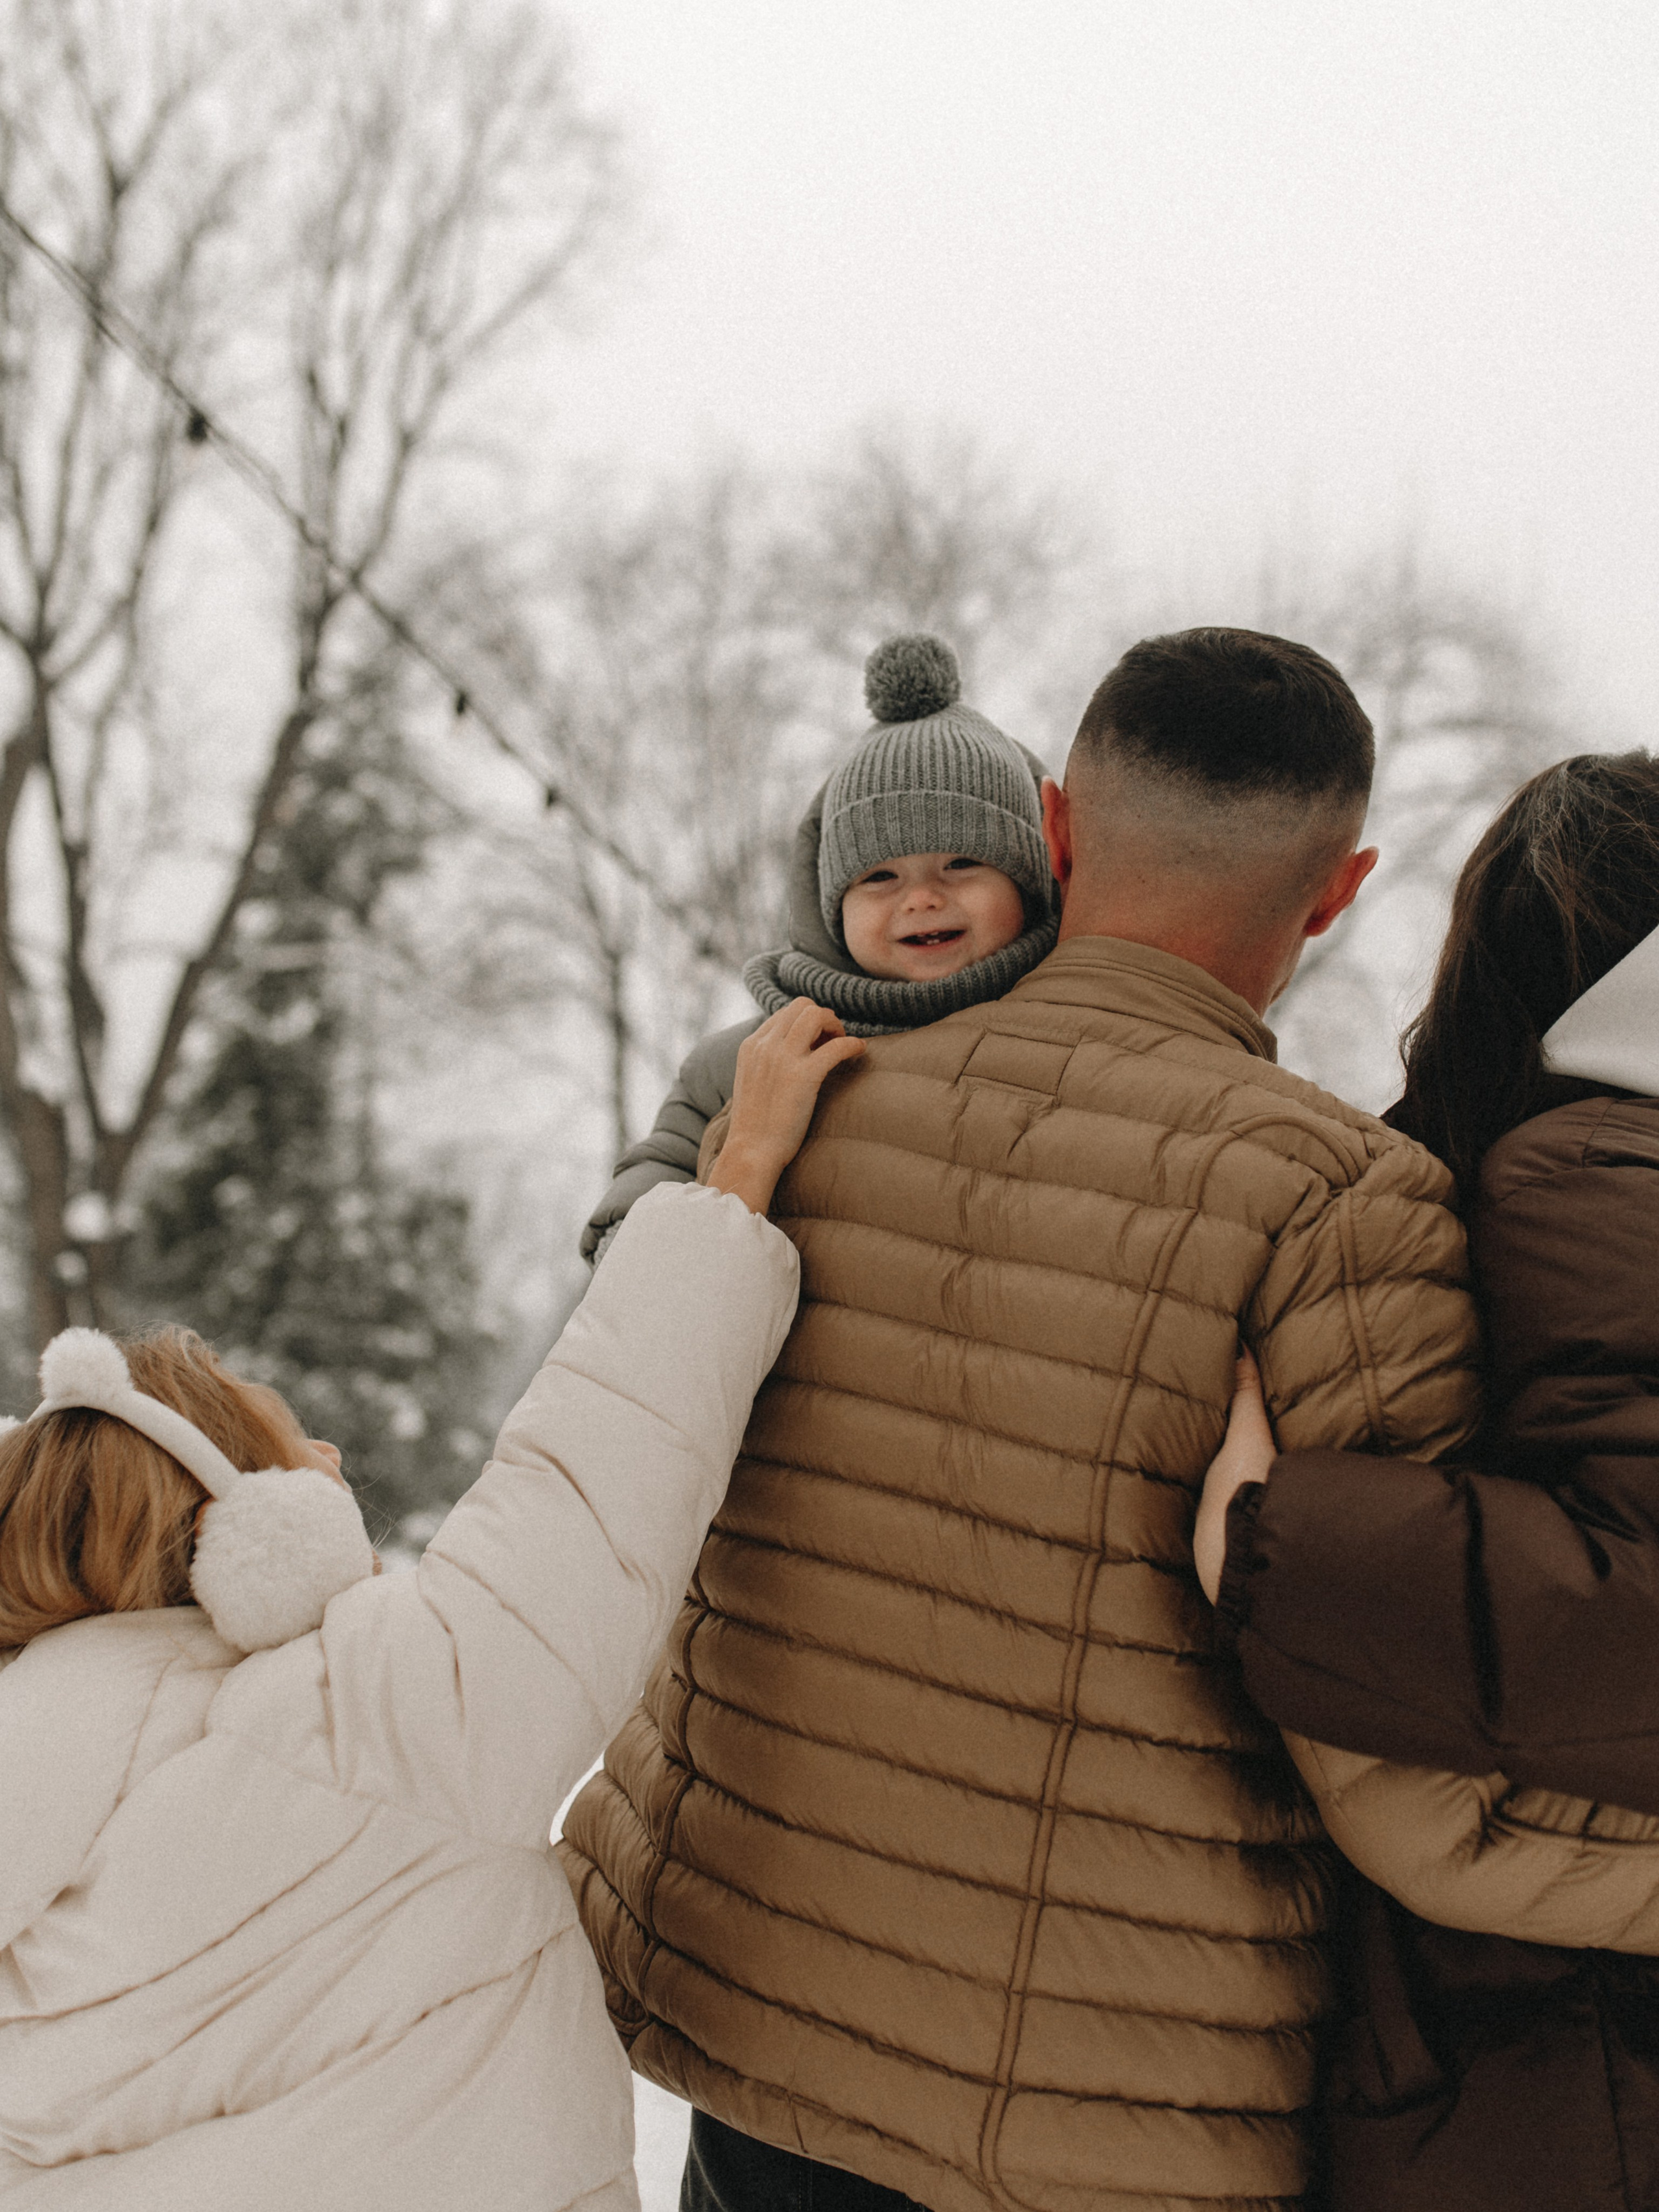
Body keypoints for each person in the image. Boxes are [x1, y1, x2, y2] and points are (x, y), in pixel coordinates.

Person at [559, 627, 1489, 2212]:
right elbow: (1398, 1712)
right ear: (1337, 891)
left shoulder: (798, 1111)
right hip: (1116, 2100)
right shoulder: (1343, 1201)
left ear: (1051, 829)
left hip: (755, 2010)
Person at [0, 1001, 861, 2212]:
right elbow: (597, 1469)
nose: (332, 1454)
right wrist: (737, 1180)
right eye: (290, 1443)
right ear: (242, 1529)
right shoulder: (364, 1721)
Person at [1196, 751, 1659, 2212]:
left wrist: (1280, 1540)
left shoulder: (1526, 1170)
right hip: (1564, 2062)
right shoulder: (1592, 1170)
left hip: (1509, 2062)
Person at [581, 631, 1058, 1264]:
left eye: (962, 863)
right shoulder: (754, 1057)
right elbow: (656, 1181)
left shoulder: (1068, 1024)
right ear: (831, 906)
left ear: (1029, 880)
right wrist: (633, 1246)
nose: (921, 898)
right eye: (879, 877)